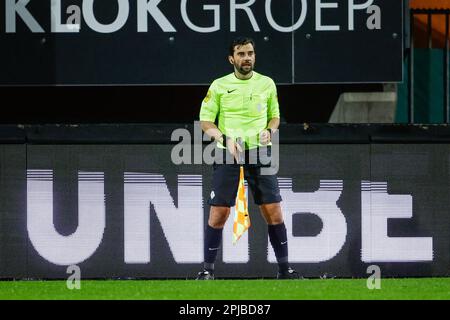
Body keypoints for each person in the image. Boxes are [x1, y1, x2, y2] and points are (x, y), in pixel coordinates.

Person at [196, 37, 299, 280]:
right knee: (219, 212)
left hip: (259, 152)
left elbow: (275, 116)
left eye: (250, 53)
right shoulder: (219, 85)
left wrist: (270, 130)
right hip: (228, 152)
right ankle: (207, 271)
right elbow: (205, 122)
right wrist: (224, 138)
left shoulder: (267, 84)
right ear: (232, 59)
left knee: (273, 210)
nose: (247, 58)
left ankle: (285, 271)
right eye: (241, 54)